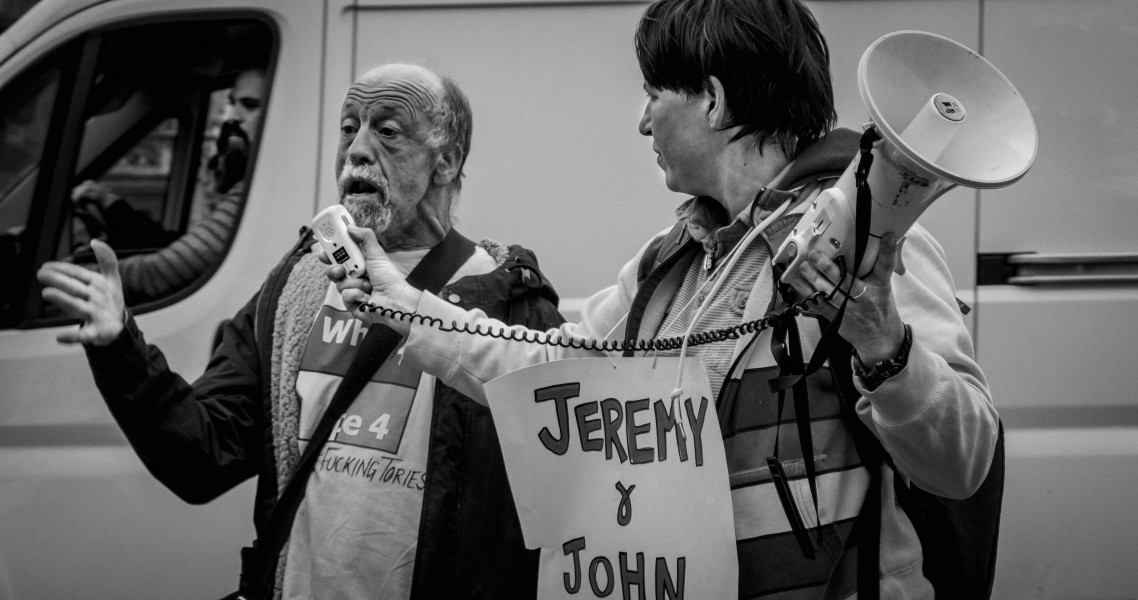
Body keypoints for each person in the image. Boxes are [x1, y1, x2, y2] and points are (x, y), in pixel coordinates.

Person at [332, 1, 1000, 598]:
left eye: (654, 93)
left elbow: (963, 461)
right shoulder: (668, 261)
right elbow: (544, 369)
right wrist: (395, 300)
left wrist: (882, 339)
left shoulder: (870, 243)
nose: (643, 121)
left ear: (712, 100)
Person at [37, 63, 562, 599]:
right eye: (347, 127)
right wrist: (119, 345)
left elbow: (549, 508)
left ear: (446, 161)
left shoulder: (505, 305)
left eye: (386, 130)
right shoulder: (297, 287)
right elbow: (200, 458)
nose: (355, 149)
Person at [70, 68, 267, 305]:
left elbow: (161, 273)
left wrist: (69, 274)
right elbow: (181, 245)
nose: (232, 117)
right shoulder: (246, 185)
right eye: (232, 103)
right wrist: (113, 205)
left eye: (250, 104)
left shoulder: (258, 193)